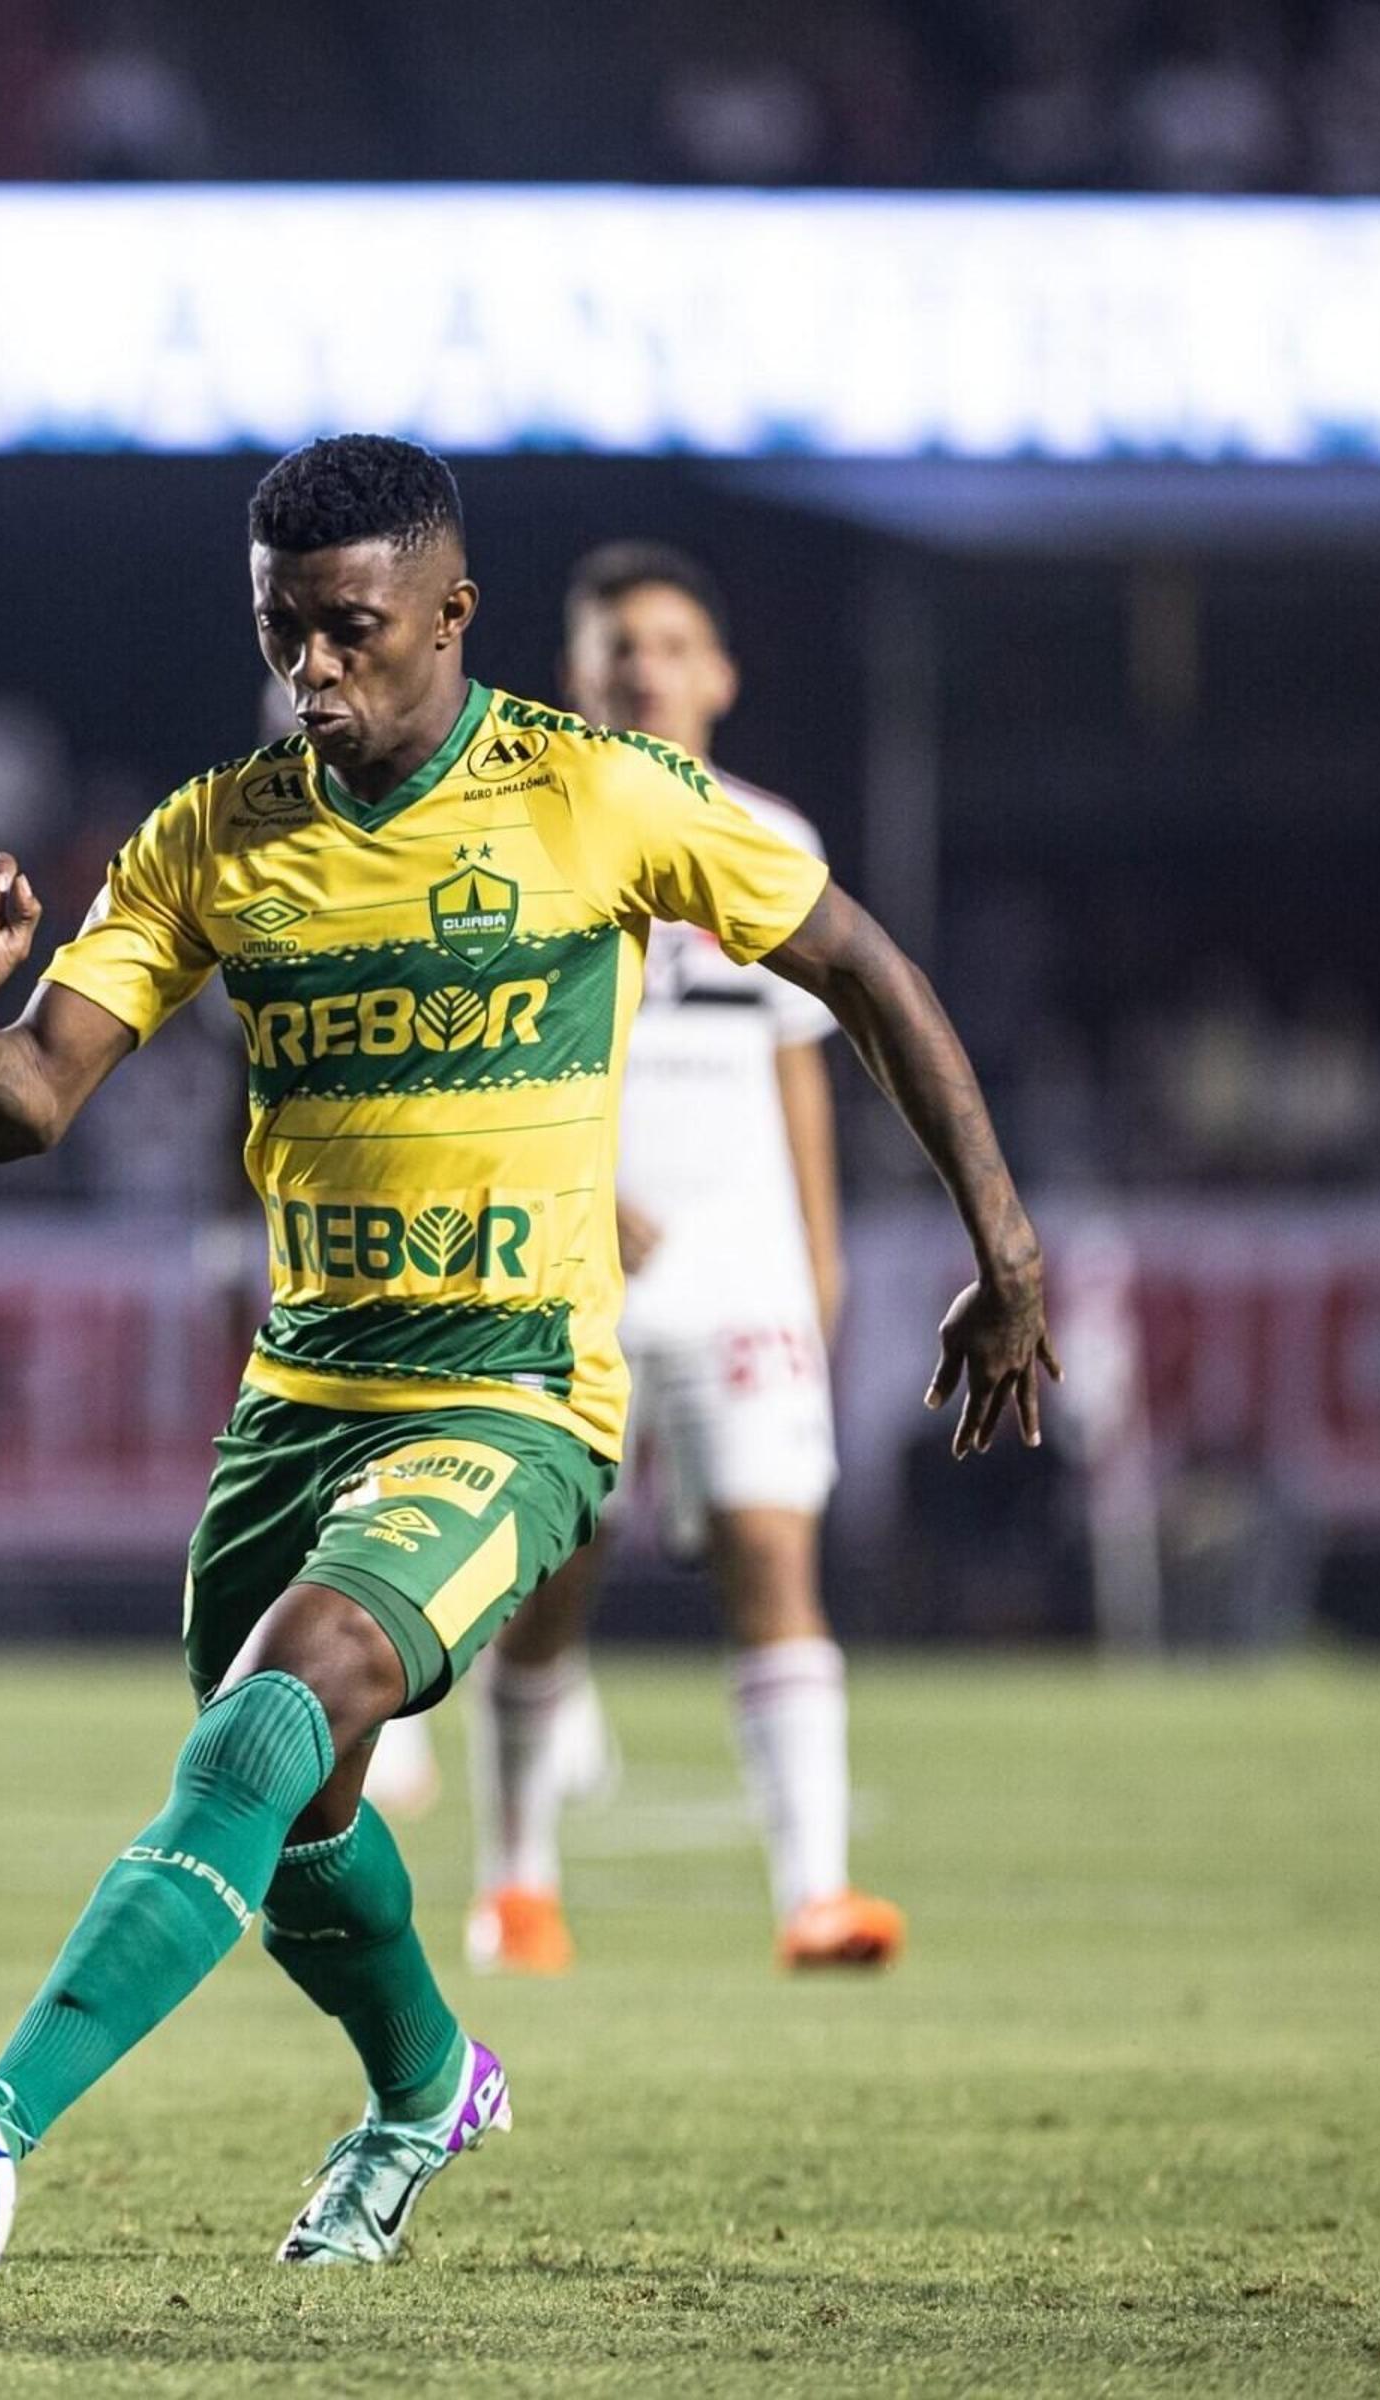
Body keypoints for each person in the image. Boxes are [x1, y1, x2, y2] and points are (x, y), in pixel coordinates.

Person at [0, 436, 1051, 2268]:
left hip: (513, 1391)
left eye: (352, 631)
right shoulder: (215, 835)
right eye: (284, 632)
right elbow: (29, 1106)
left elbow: (858, 961)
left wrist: (1003, 1243)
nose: (314, 672)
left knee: (278, 1713)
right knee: (294, 1819)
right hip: (301, 1403)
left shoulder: (599, 793)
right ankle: (426, 2083)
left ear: (453, 615)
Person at [434, 540, 906, 1977]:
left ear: (717, 674)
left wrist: (816, 1273)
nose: (641, 663)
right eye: (614, 643)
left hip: (739, 1264)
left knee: (772, 1549)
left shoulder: (766, 833)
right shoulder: (516, 833)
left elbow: (801, 1071)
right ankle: (516, 1883)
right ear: (573, 675)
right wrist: (565, 1185)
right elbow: (465, 1066)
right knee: (554, 1565)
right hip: (560, 1263)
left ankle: (816, 1894)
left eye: (667, 641)